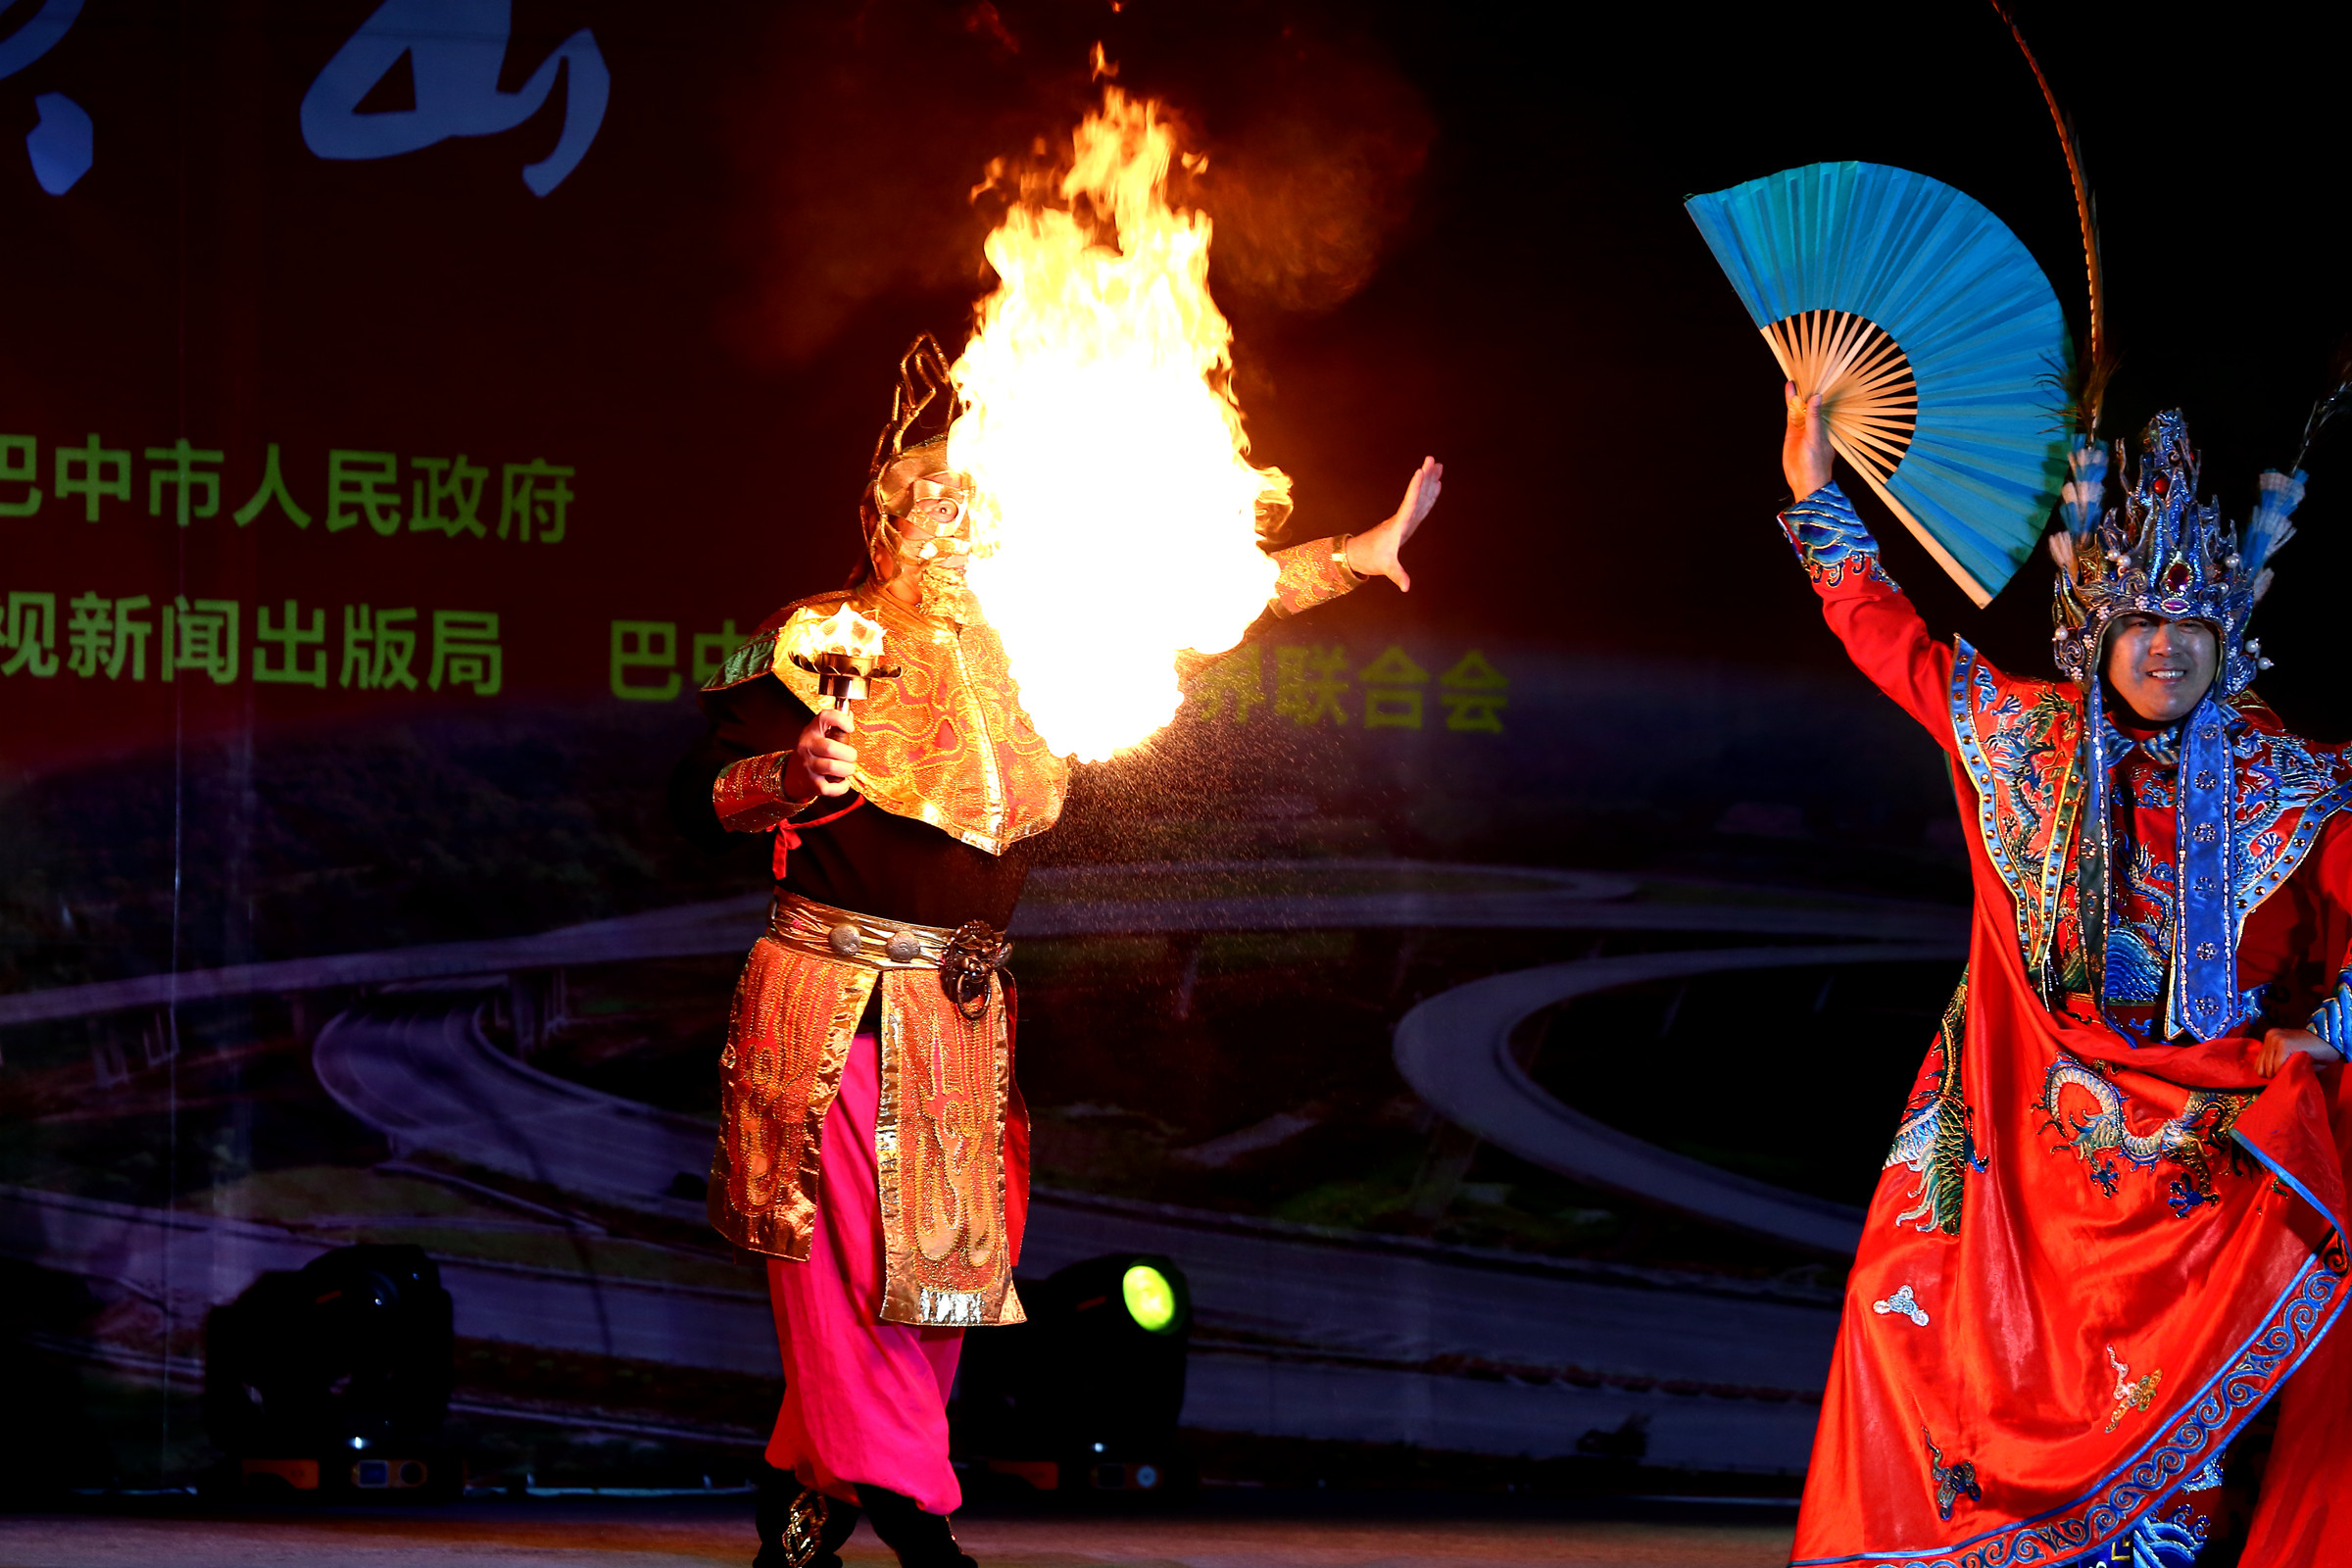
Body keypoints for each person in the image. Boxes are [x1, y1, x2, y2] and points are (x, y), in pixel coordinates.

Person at [669, 339, 1442, 1568]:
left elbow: (1198, 612)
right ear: (880, 516)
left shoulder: (1035, 636)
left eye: (968, 506)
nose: (948, 525)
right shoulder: (824, 636)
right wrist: (787, 775)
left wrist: (1351, 557)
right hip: (842, 999)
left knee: (941, 1281)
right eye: (923, 505)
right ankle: (918, 1513)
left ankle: (805, 1496)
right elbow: (703, 795)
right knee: (841, 1266)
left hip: (961, 1006)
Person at [1775, 386, 2352, 1567]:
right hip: (2014, 1132)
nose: (2164, 645)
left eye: (2189, 628)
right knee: (1900, 1307)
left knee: (2201, 1419)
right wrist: (1813, 492)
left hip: (2204, 1136)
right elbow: (1891, 638)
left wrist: (2330, 1029)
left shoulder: (2290, 776)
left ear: (2226, 638)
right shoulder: (2018, 735)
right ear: (2096, 631)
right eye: (2140, 622)